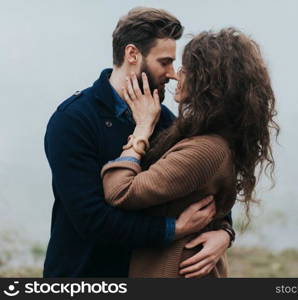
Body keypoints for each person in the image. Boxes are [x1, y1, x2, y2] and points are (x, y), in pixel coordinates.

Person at [43, 7, 234, 277]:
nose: (172, 73)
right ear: (132, 54)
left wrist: (224, 232)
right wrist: (175, 229)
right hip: (83, 274)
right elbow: (92, 220)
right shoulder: (73, 120)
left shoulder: (166, 120)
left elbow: (201, 184)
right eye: (165, 62)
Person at [101, 27, 279, 277]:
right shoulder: (203, 136)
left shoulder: (205, 150)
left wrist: (141, 129)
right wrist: (225, 232)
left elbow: (121, 191)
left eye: (184, 68)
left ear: (207, 82)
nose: (175, 75)